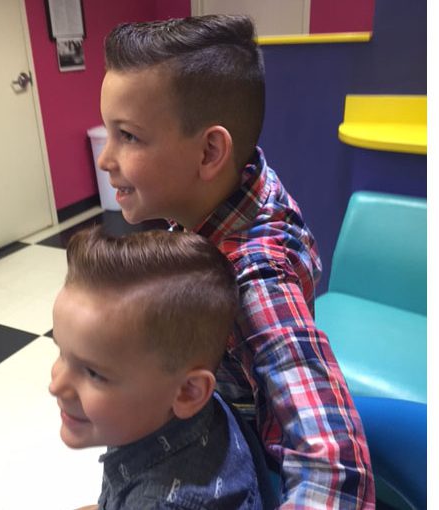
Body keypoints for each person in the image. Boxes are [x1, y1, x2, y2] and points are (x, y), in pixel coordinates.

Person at [97, 14, 375, 508]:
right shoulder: (243, 181)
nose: (106, 158)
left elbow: (335, 464)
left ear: (209, 152)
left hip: (238, 453)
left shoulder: (254, 281)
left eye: (129, 136)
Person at [49, 227, 278, 509]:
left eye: (94, 373)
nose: (55, 385)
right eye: (62, 352)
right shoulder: (178, 410)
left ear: (188, 392)